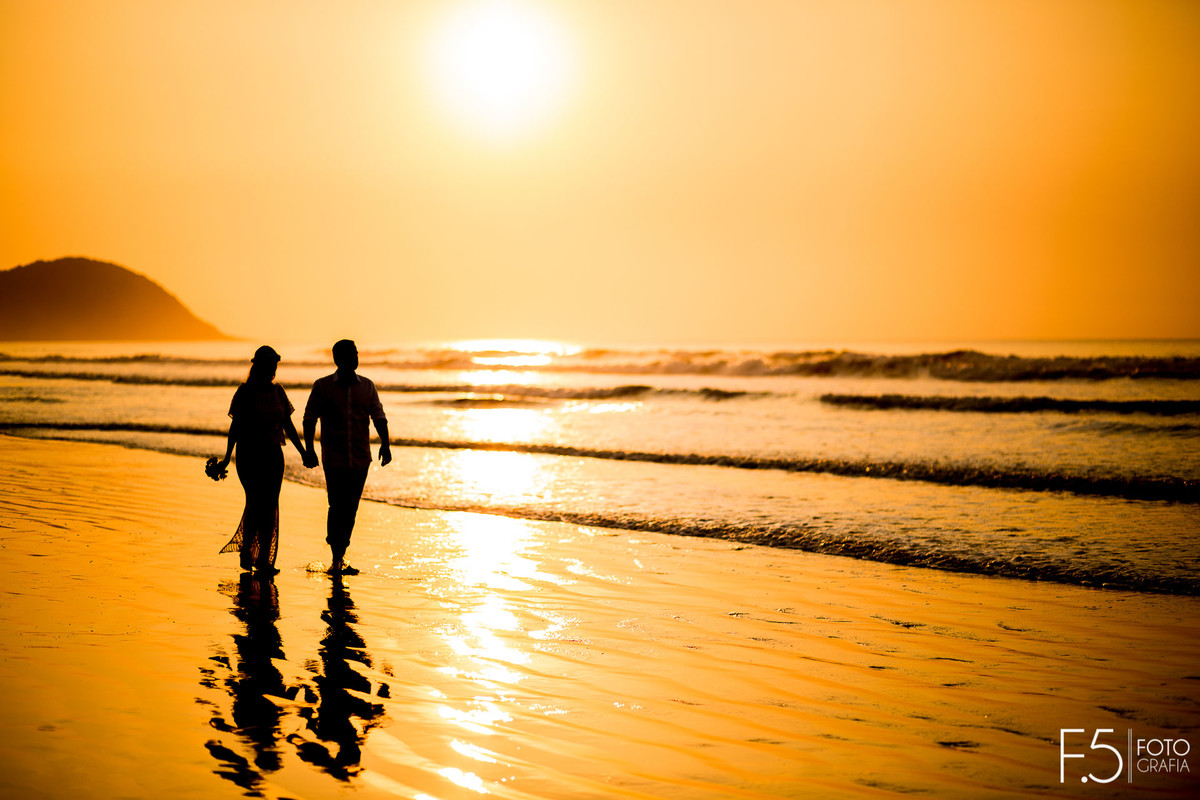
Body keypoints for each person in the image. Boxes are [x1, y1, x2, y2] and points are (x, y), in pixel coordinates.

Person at [215, 345, 312, 575]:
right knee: (257, 503)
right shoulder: (244, 392)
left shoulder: (278, 392)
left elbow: (288, 425)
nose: (273, 369)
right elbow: (235, 426)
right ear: (258, 365)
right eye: (269, 364)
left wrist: (303, 451)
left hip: (273, 455)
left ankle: (263, 559)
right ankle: (248, 551)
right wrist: (227, 457)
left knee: (269, 506)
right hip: (248, 455)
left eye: (275, 365)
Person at [303, 340, 390, 575]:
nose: (355, 357)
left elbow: (378, 416)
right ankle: (337, 557)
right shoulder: (322, 387)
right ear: (338, 359)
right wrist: (309, 450)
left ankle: (339, 557)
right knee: (336, 506)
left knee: (350, 509)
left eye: (356, 353)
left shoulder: (367, 387)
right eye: (351, 354)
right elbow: (309, 419)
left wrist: (386, 443)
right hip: (334, 458)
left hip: (361, 458)